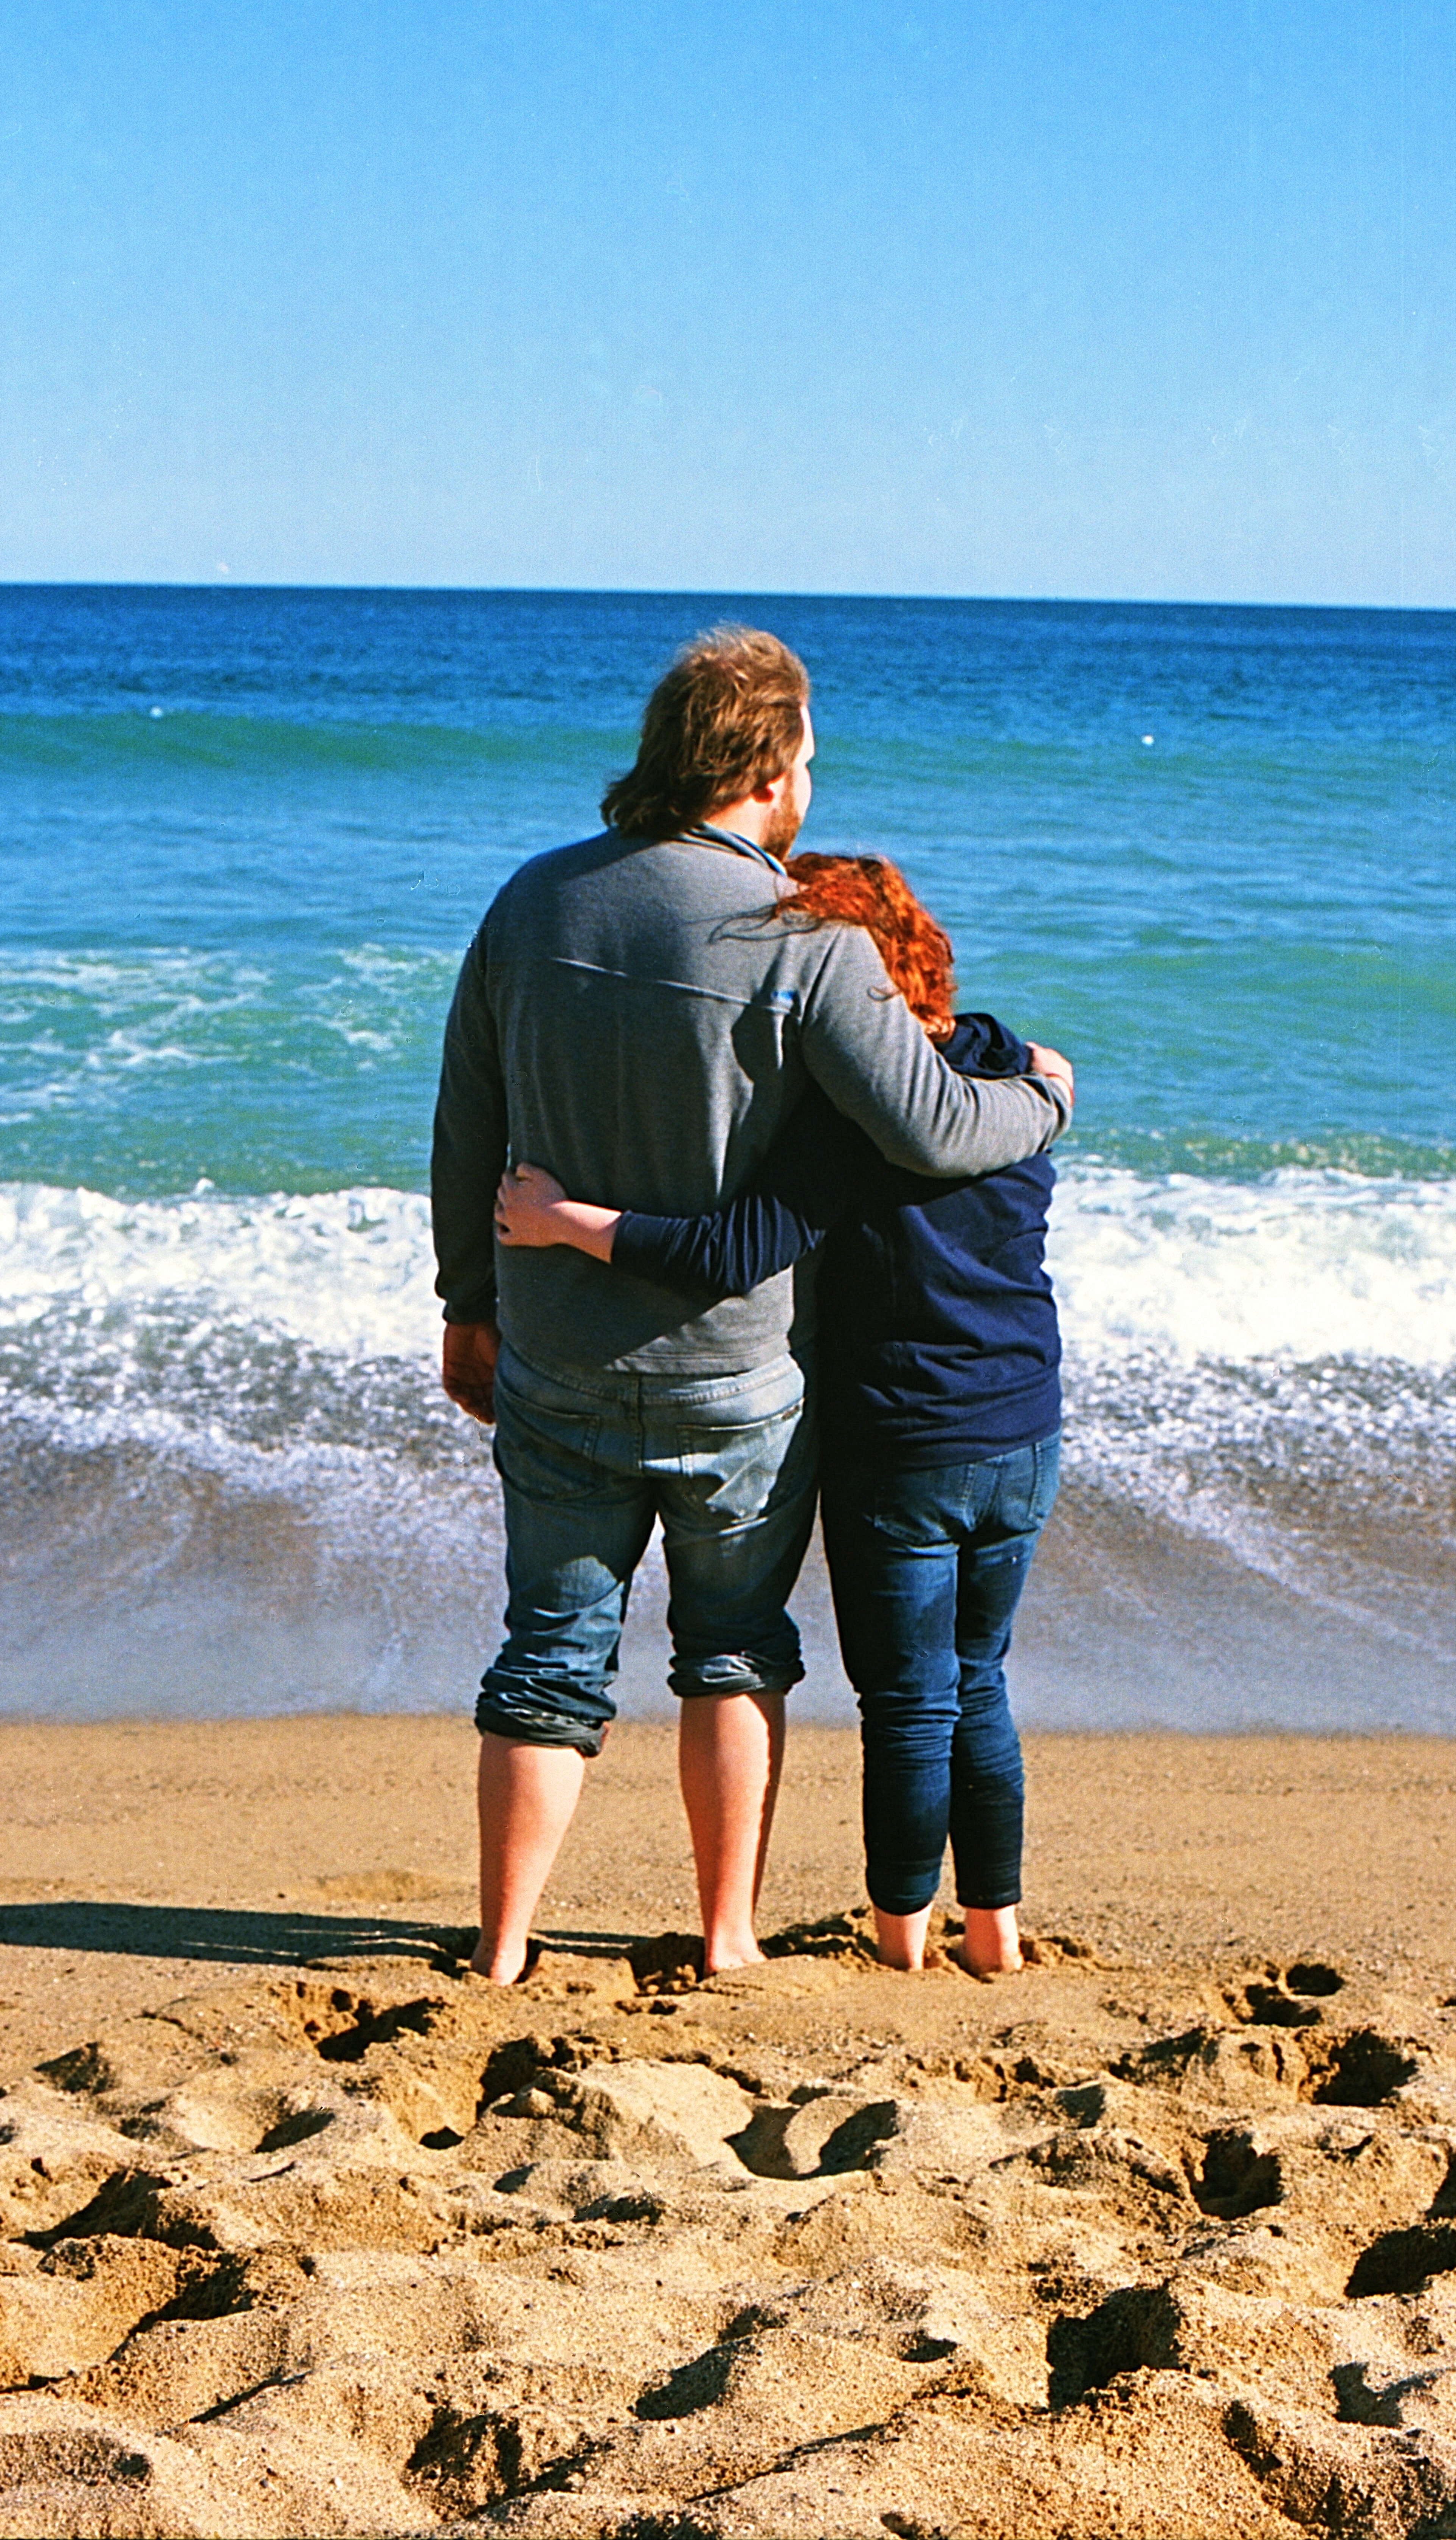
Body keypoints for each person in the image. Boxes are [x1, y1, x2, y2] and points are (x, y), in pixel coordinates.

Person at [432, 628, 1070, 1984]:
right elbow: (938, 1130)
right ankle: (728, 1937)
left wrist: (467, 1302)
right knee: (732, 1649)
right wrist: (1051, 1094)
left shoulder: (530, 904)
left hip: (553, 1347)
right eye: (809, 764)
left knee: (548, 1651)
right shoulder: (807, 938)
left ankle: (503, 1946)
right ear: (771, 768)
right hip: (740, 1373)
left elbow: (467, 1124)